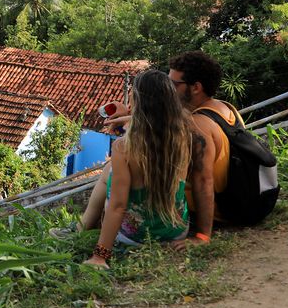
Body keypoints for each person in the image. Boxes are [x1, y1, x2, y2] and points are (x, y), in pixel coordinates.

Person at [81, 69, 200, 269]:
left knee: (110, 173)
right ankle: (79, 226)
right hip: (176, 232)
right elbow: (157, 126)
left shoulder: (123, 147)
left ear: (137, 102)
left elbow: (117, 206)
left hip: (136, 237)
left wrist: (99, 256)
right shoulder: (183, 133)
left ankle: (80, 227)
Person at [167, 51, 241, 244]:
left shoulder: (197, 125)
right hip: (234, 200)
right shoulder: (224, 108)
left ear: (196, 87)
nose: (169, 89)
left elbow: (203, 180)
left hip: (216, 212)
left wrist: (202, 235)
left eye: (174, 84)